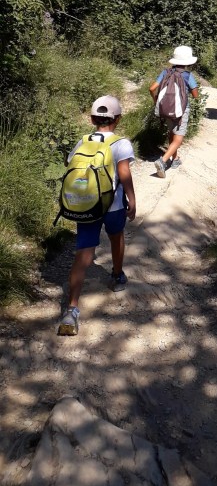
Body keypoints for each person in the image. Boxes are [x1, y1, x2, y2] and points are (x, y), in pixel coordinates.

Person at [57, 96, 136, 336]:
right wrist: (132, 199)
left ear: (92, 119)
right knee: (116, 237)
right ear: (118, 119)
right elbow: (124, 173)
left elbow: (69, 163)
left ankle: (71, 310)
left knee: (84, 253)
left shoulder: (83, 141)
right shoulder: (121, 143)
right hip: (112, 206)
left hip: (87, 205)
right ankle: (117, 276)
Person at [149, 45, 199, 178]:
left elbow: (152, 88)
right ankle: (162, 161)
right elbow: (195, 95)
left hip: (165, 109)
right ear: (188, 62)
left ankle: (175, 159)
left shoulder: (166, 72)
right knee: (178, 139)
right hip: (181, 111)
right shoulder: (188, 76)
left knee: (172, 133)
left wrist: (156, 102)